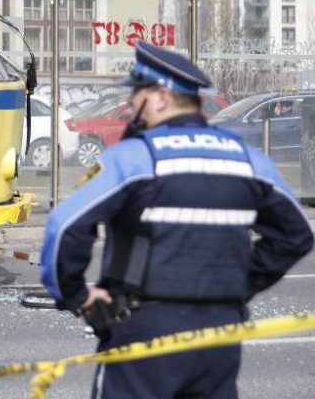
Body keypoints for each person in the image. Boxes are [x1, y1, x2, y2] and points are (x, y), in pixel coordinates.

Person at [40, 41, 313, 398]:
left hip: (144, 332)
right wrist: (240, 283)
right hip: (219, 334)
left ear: (160, 98)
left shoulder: (136, 158)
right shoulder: (249, 161)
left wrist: (77, 296)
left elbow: (64, 227)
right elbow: (295, 235)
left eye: (136, 96)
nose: (131, 106)